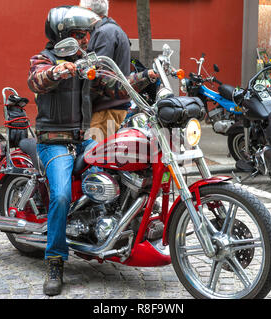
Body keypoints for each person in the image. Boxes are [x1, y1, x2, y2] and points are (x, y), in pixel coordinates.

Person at [27, 6, 158, 296]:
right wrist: (58, 71)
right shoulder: (43, 60)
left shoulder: (86, 64)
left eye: (87, 35)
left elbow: (116, 87)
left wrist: (145, 75)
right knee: (60, 195)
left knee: (119, 170)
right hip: (54, 142)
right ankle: (55, 261)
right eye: (80, 35)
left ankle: (107, 229)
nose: (87, 40)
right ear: (63, 36)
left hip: (84, 139)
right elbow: (37, 79)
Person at [79, 0, 133, 142]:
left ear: (89, 11)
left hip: (107, 107)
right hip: (112, 105)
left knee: (96, 154)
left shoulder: (104, 32)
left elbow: (98, 73)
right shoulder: (111, 29)